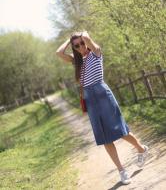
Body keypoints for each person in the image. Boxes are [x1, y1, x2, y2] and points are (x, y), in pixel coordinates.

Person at [56, 30, 149, 185]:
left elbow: (87, 37)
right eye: (76, 46)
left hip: (103, 94)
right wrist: (69, 39)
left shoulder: (96, 53)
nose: (80, 47)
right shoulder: (76, 61)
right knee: (104, 136)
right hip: (90, 99)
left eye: (81, 43)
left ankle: (141, 149)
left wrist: (81, 34)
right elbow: (59, 53)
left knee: (120, 130)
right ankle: (122, 171)